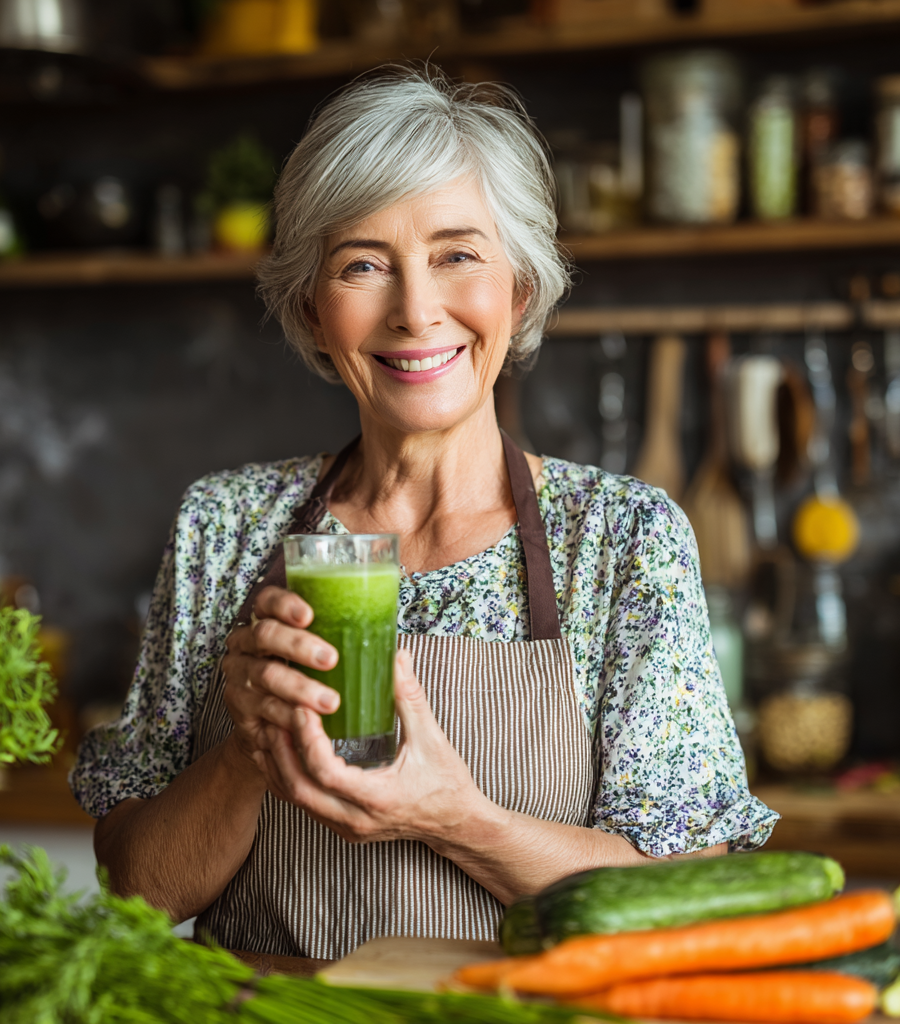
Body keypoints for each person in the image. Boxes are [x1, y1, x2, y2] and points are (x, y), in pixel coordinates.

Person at [70, 67, 777, 961]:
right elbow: (135, 888)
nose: (415, 310)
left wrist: (459, 819)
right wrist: (248, 749)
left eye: (457, 255)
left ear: (518, 291)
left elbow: (683, 895)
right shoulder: (229, 527)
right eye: (363, 264)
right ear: (313, 311)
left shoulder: (623, 539)